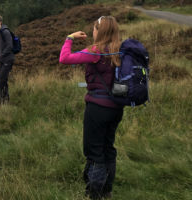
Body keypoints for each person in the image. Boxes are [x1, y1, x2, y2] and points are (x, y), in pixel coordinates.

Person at [59, 16, 123, 199]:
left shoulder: (96, 51)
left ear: (99, 31)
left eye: (94, 29)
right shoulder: (120, 50)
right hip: (117, 107)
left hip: (97, 108)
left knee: (94, 151)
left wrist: (69, 38)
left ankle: (94, 193)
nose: (93, 32)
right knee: (108, 148)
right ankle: (107, 191)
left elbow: (64, 58)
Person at [0, 14, 15, 104]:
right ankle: (5, 100)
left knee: (0, 81)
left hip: (7, 59)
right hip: (2, 60)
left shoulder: (5, 32)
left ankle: (2, 100)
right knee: (3, 80)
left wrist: (1, 55)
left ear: (0, 22)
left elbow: (10, 46)